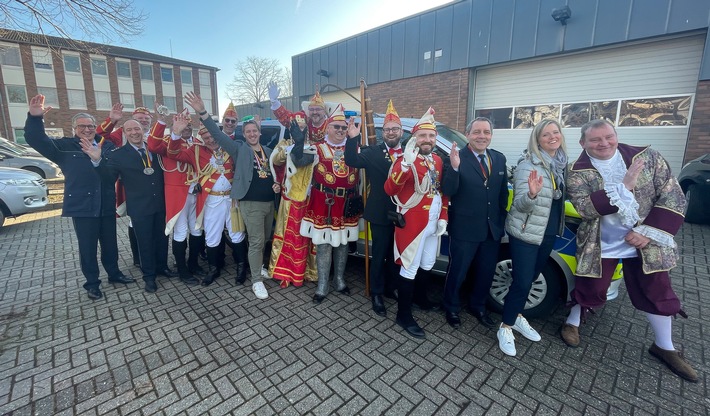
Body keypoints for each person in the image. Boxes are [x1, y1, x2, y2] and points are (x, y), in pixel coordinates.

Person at [560, 119, 698, 382]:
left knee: (657, 289)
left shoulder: (648, 157)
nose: (604, 143)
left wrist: (647, 232)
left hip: (646, 239)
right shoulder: (577, 171)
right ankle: (573, 321)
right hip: (601, 242)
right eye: (595, 140)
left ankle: (665, 346)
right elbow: (585, 209)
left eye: (608, 137)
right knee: (592, 287)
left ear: (616, 135)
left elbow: (673, 195)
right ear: (583, 143)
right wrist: (624, 186)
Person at [24, 95, 133, 300]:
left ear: (95, 127)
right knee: (87, 247)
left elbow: (112, 175)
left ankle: (114, 273)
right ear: (75, 128)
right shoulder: (63, 146)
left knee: (110, 244)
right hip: (83, 206)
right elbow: (35, 139)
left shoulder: (106, 147)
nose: (87, 129)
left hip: (106, 203)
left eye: (90, 126)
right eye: (82, 126)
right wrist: (35, 118)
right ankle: (92, 283)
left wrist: (98, 158)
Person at [185, 92, 276, 300]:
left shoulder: (269, 151)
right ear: (243, 134)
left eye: (255, 131)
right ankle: (256, 280)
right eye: (248, 131)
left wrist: (277, 185)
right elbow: (218, 136)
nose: (252, 134)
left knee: (264, 239)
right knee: (255, 241)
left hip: (269, 203)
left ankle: (258, 267)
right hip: (250, 203)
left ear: (260, 132)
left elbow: (275, 173)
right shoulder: (239, 150)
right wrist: (202, 111)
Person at [498, 119, 568, 356]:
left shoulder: (560, 164)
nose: (552, 137)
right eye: (545, 134)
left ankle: (517, 316)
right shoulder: (529, 166)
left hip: (546, 233)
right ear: (537, 139)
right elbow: (519, 204)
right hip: (526, 233)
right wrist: (531, 193)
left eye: (555, 132)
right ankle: (506, 326)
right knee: (522, 281)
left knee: (532, 277)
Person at [82, 119, 176, 294]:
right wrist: (97, 161)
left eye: (137, 128)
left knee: (162, 238)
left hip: (160, 203)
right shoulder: (118, 155)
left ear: (143, 130)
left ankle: (162, 267)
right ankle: (149, 276)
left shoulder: (154, 149)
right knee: (145, 242)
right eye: (130, 129)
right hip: (140, 207)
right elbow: (109, 178)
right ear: (124, 133)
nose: (134, 132)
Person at [384, 107, 448, 339]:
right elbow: (390, 189)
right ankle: (403, 314)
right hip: (413, 224)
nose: (427, 140)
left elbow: (442, 192)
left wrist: (443, 217)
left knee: (428, 263)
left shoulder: (439, 161)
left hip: (432, 224)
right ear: (414, 138)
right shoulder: (405, 160)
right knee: (409, 267)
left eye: (431, 136)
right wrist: (402, 166)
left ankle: (420, 299)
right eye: (423, 136)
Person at [166, 110, 246, 288]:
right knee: (212, 235)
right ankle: (213, 268)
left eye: (212, 136)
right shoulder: (195, 150)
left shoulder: (228, 147)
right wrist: (176, 133)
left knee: (236, 232)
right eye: (206, 137)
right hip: (211, 201)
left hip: (232, 200)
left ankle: (242, 267)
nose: (211, 140)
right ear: (202, 138)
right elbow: (173, 154)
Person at [290, 104, 361, 304]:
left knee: (343, 243)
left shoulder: (354, 147)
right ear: (328, 128)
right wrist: (298, 141)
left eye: (343, 128)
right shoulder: (317, 148)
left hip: (347, 203)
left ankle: (339, 279)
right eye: (336, 127)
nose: (340, 131)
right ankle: (323, 284)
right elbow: (298, 161)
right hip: (324, 202)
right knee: (324, 244)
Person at [442, 117, 508, 330]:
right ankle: (451, 307)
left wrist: (500, 222)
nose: (482, 136)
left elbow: (502, 195)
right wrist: (453, 168)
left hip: (491, 229)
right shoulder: (456, 158)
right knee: (458, 271)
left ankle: (477, 306)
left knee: (486, 272)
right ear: (468, 134)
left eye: (486, 132)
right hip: (464, 229)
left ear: (491, 135)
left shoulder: (498, 159)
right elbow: (449, 191)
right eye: (477, 132)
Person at [344, 99, 402, 316]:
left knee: (395, 255)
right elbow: (351, 160)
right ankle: (376, 293)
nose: (391, 132)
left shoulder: (410, 153)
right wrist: (353, 139)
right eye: (387, 129)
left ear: (401, 132)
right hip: (379, 213)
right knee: (379, 255)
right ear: (383, 131)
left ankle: (390, 287)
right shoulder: (372, 152)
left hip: (404, 215)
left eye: (395, 129)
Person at [146, 110, 202, 286]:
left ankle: (193, 264)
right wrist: (162, 123)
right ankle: (182, 270)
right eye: (182, 125)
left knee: (197, 229)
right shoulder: (168, 141)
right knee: (180, 231)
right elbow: (153, 146)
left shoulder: (198, 143)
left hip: (197, 192)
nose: (186, 128)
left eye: (188, 125)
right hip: (178, 194)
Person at [97, 105, 154, 267]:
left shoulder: (156, 134)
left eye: (146, 119)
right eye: (139, 119)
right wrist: (112, 120)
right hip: (131, 183)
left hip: (153, 184)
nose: (143, 121)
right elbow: (100, 136)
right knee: (133, 220)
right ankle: (138, 258)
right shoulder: (122, 134)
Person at [267, 110, 318, 287]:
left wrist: (301, 144)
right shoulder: (285, 143)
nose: (301, 130)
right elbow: (277, 160)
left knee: (305, 237)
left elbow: (306, 161)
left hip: (309, 199)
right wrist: (293, 145)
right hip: (289, 200)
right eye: (297, 127)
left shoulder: (313, 145)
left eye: (303, 126)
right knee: (289, 237)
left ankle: (304, 273)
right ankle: (285, 272)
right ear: (292, 128)